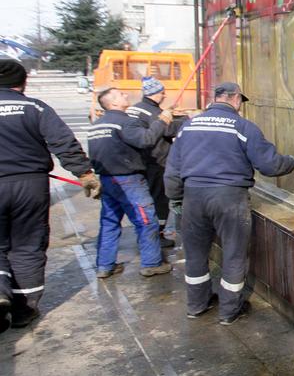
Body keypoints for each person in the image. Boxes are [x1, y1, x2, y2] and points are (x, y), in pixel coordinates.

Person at [164, 82, 294, 325]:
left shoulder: (188, 126)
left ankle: (197, 305)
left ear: (215, 98)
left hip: (193, 197)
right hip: (229, 198)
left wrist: (176, 198)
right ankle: (229, 310)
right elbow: (270, 166)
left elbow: (172, 169)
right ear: (235, 99)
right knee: (234, 254)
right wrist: (292, 161)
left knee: (195, 254)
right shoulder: (243, 127)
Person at [0, 59, 100, 331]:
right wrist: (84, 173)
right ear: (23, 83)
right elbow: (63, 142)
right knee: (28, 246)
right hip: (29, 186)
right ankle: (24, 310)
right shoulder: (35, 107)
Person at [88, 87, 174, 279]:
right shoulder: (125, 122)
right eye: (120, 94)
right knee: (146, 221)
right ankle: (151, 263)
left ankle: (104, 266)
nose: (125, 94)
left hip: (108, 179)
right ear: (113, 104)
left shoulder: (97, 125)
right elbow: (146, 140)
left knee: (109, 222)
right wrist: (162, 121)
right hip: (129, 180)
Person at [127, 76, 186, 247]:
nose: (165, 95)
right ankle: (157, 237)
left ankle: (147, 234)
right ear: (154, 94)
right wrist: (188, 120)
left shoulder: (137, 109)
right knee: (159, 200)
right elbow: (167, 129)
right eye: (162, 92)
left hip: (142, 162)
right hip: (157, 163)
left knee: (146, 200)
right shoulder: (152, 113)